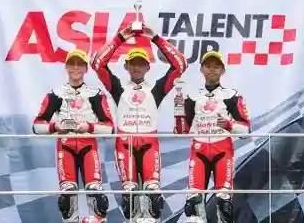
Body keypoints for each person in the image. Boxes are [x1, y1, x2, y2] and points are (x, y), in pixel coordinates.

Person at [91, 24, 187, 222]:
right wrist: (120, 37)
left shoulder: (157, 89)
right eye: (133, 63)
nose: (137, 67)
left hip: (149, 143)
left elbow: (180, 65)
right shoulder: (117, 87)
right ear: (126, 66)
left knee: (153, 198)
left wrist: (155, 38)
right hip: (124, 145)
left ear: (148, 67)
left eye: (141, 63)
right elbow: (97, 64)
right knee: (130, 200)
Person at [33, 48, 115, 223]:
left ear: (86, 68)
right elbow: (36, 126)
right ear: (66, 67)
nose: (75, 68)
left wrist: (88, 127)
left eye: (80, 64)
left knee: (96, 196)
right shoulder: (56, 93)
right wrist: (56, 126)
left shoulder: (95, 94)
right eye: (72, 63)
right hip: (65, 147)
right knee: (67, 198)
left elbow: (109, 128)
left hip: (88, 147)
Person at [173, 51, 251, 223]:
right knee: (193, 203)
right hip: (199, 151)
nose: (212, 70)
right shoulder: (192, 97)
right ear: (201, 69)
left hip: (222, 151)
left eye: (216, 66)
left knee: (224, 204)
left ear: (223, 70)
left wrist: (229, 125)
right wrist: (178, 111)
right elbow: (182, 131)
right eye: (208, 66)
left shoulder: (232, 95)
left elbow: (246, 131)